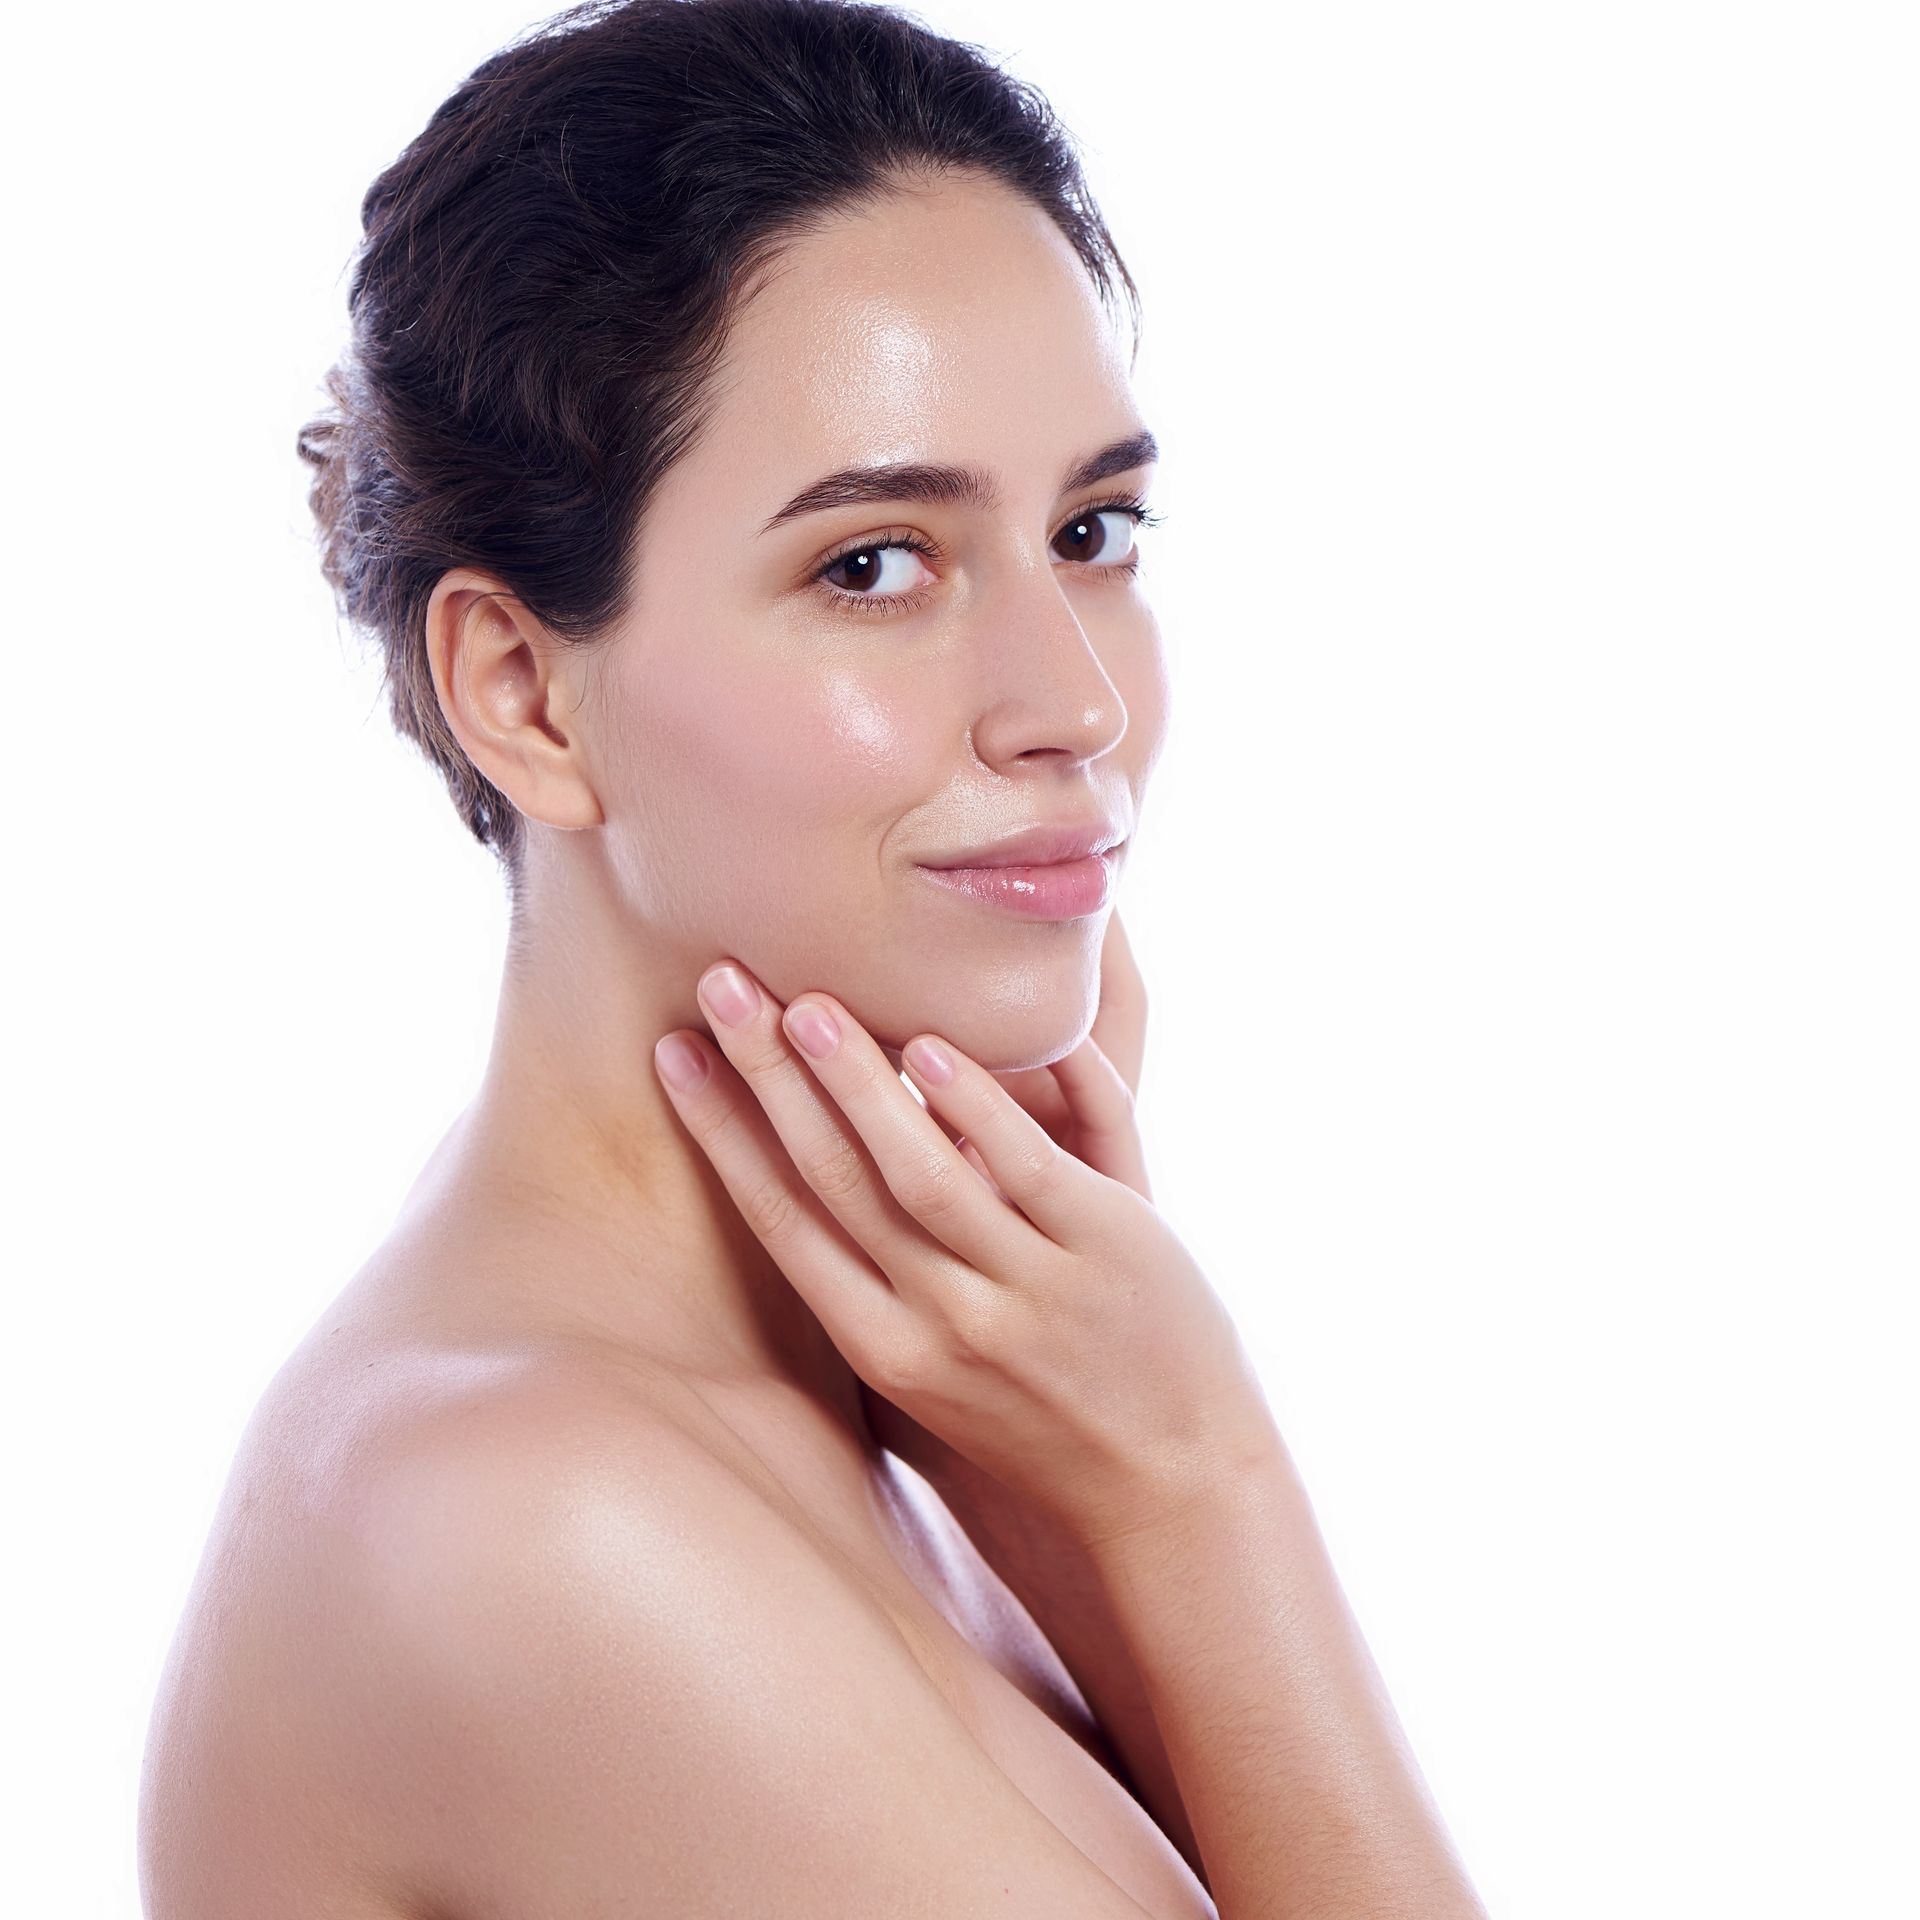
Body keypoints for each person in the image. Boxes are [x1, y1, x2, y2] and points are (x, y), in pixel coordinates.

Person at [139, 1, 1488, 1913]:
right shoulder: (545, 1520)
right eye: (875, 565)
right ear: (522, 692)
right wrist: (1198, 1492)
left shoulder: (842, 1402)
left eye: (1096, 528)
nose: (1076, 701)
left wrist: (1084, 1508)